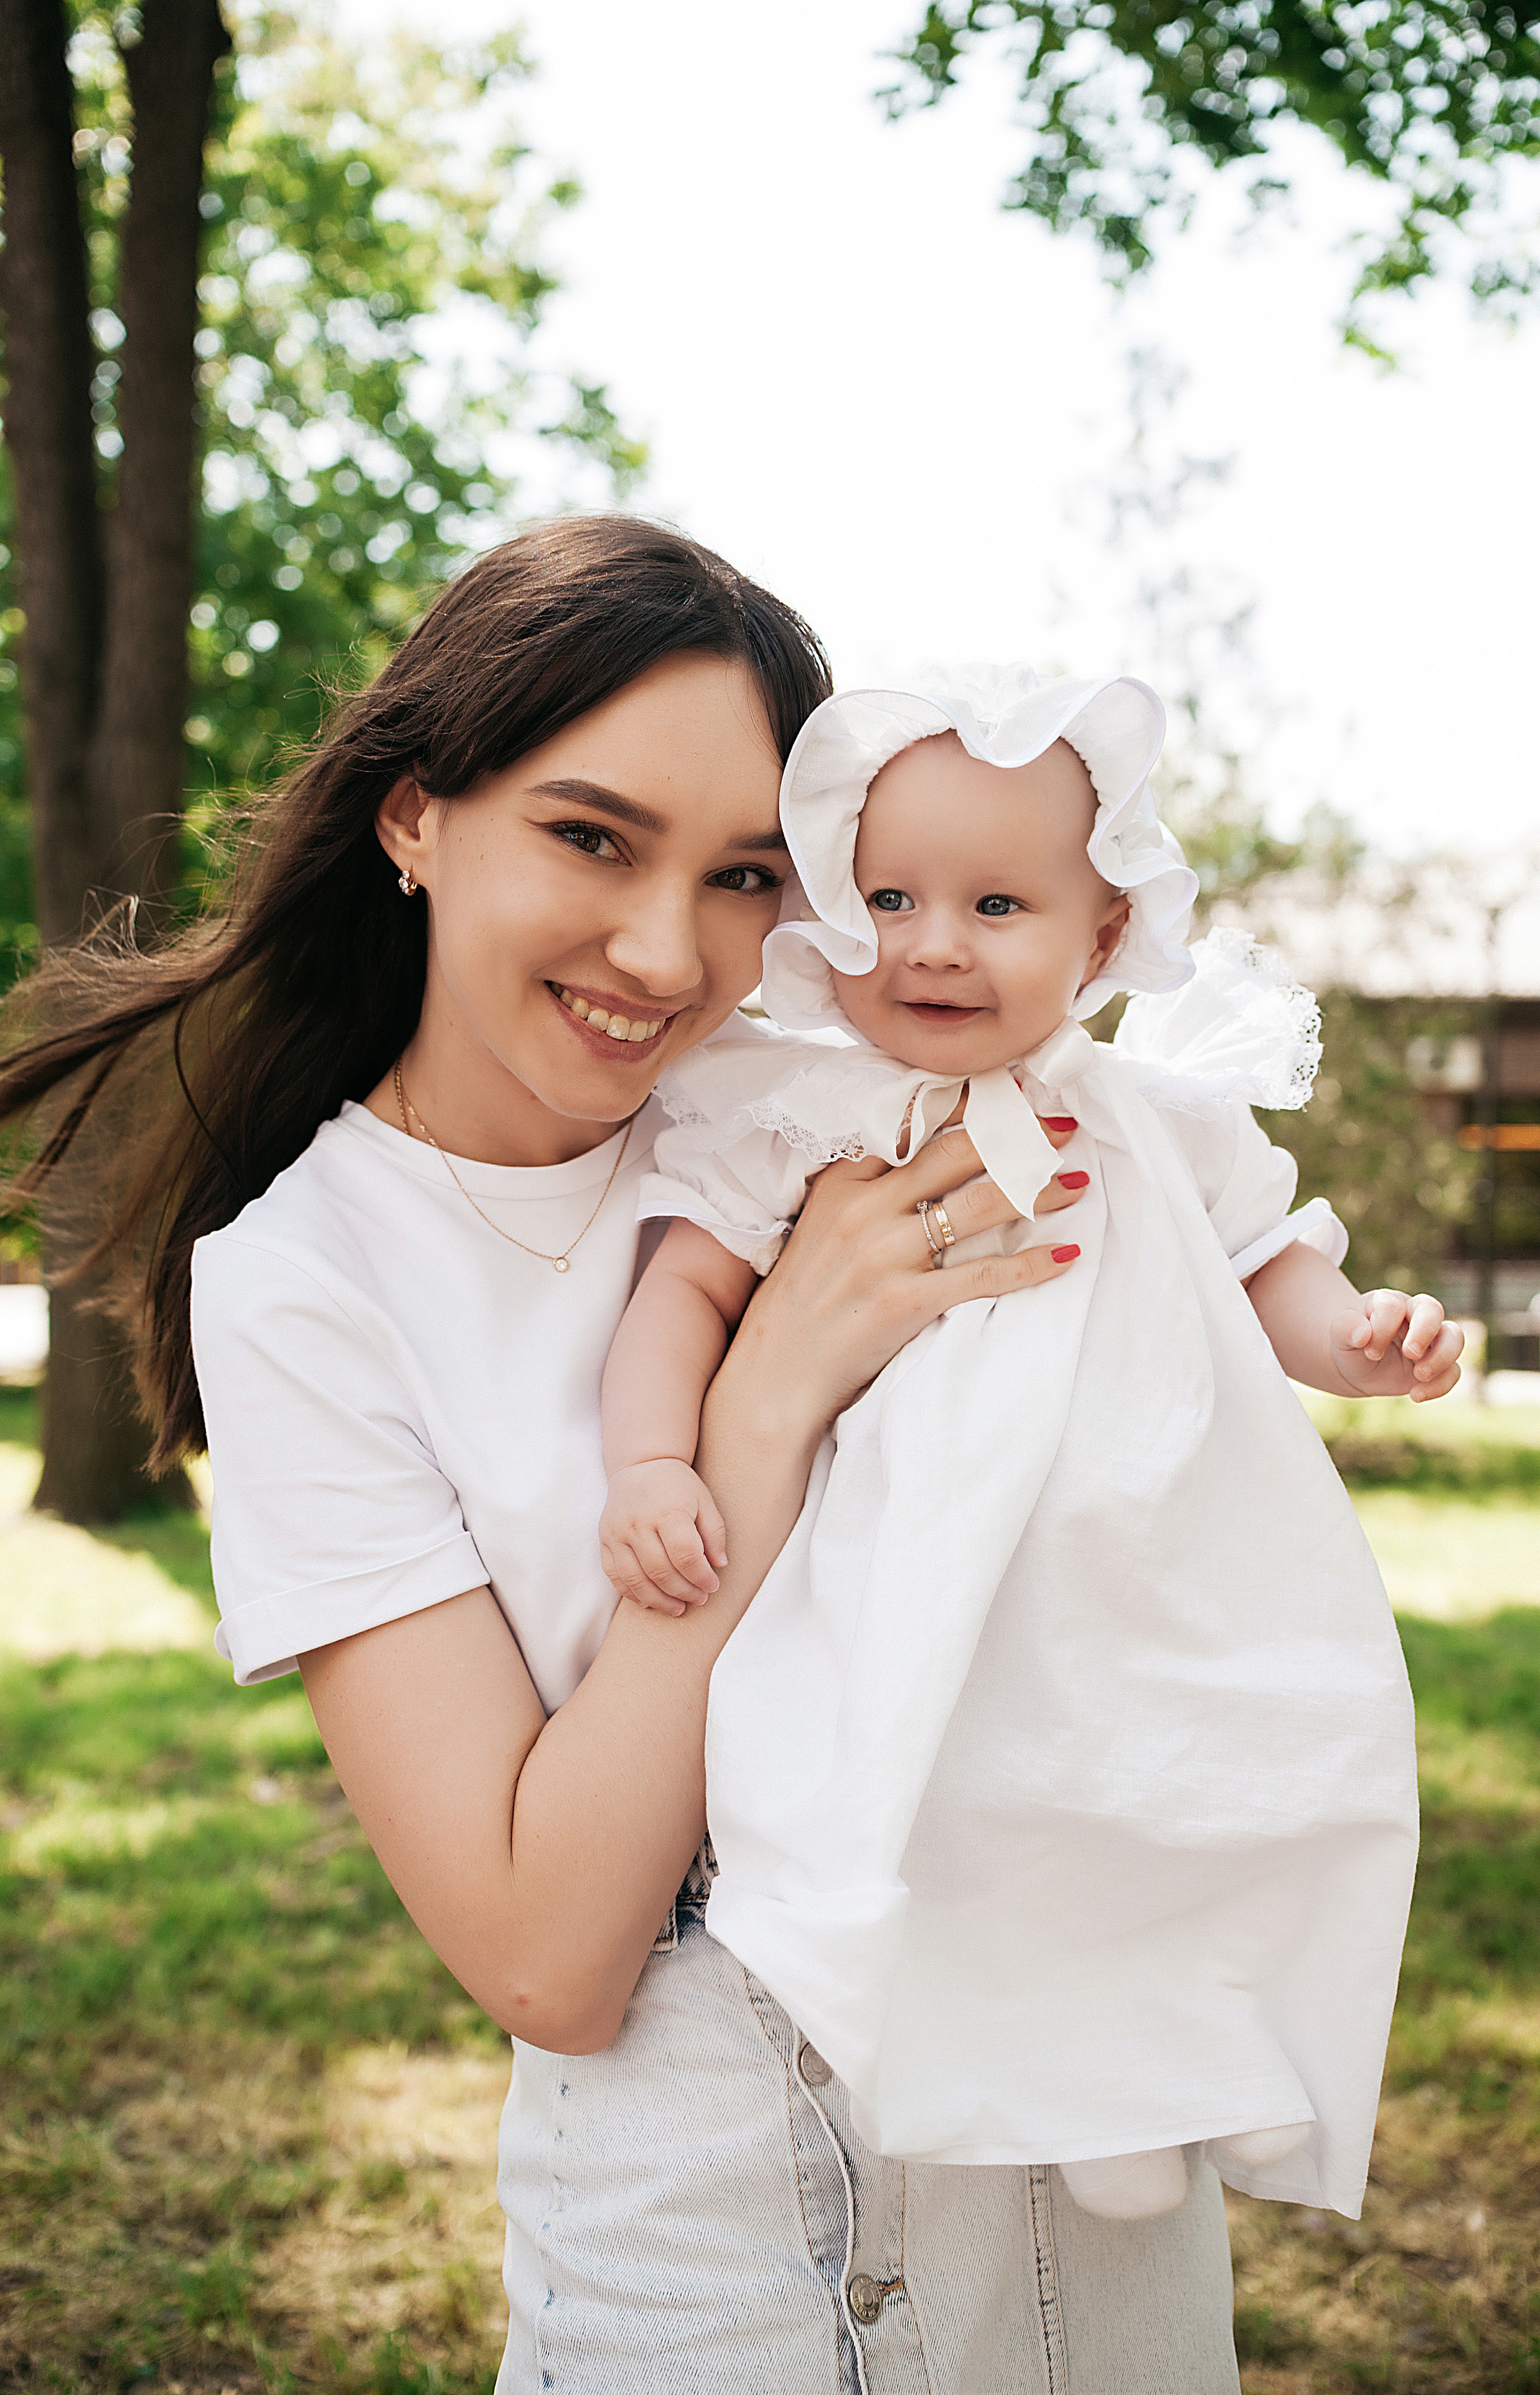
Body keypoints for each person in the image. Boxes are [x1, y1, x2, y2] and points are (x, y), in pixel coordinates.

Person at [0, 525, 1247, 2393]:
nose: (667, 951)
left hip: (1067, 2102)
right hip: (713, 2205)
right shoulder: (308, 1283)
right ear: (416, 820)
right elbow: (550, 1956)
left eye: (743, 876)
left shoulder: (840, 1109)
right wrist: (756, 1413)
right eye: (590, 836)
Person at [597, 667, 1455, 2227]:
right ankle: (995, 2059)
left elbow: (1272, 1267)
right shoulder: (798, 1112)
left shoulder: (1156, 1114)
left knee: (1167, 1774)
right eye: (889, 898)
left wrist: (1358, 1339)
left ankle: (1157, 2073)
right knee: (964, 1792)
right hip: (921, 1542)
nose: (932, 940)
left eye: (997, 902)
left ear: (1104, 934)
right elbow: (681, 1292)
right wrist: (654, 1459)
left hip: (1140, 1533)